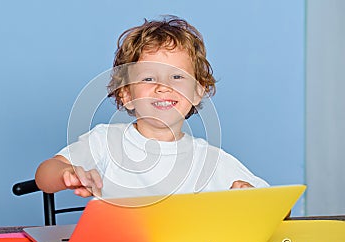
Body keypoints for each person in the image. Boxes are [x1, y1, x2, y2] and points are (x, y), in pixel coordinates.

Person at [35, 16, 269, 200]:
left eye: (177, 77)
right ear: (126, 94)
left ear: (198, 92)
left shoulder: (210, 158)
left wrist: (251, 197)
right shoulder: (105, 141)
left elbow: (277, 207)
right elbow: (44, 175)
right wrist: (68, 174)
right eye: (148, 79)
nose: (163, 87)